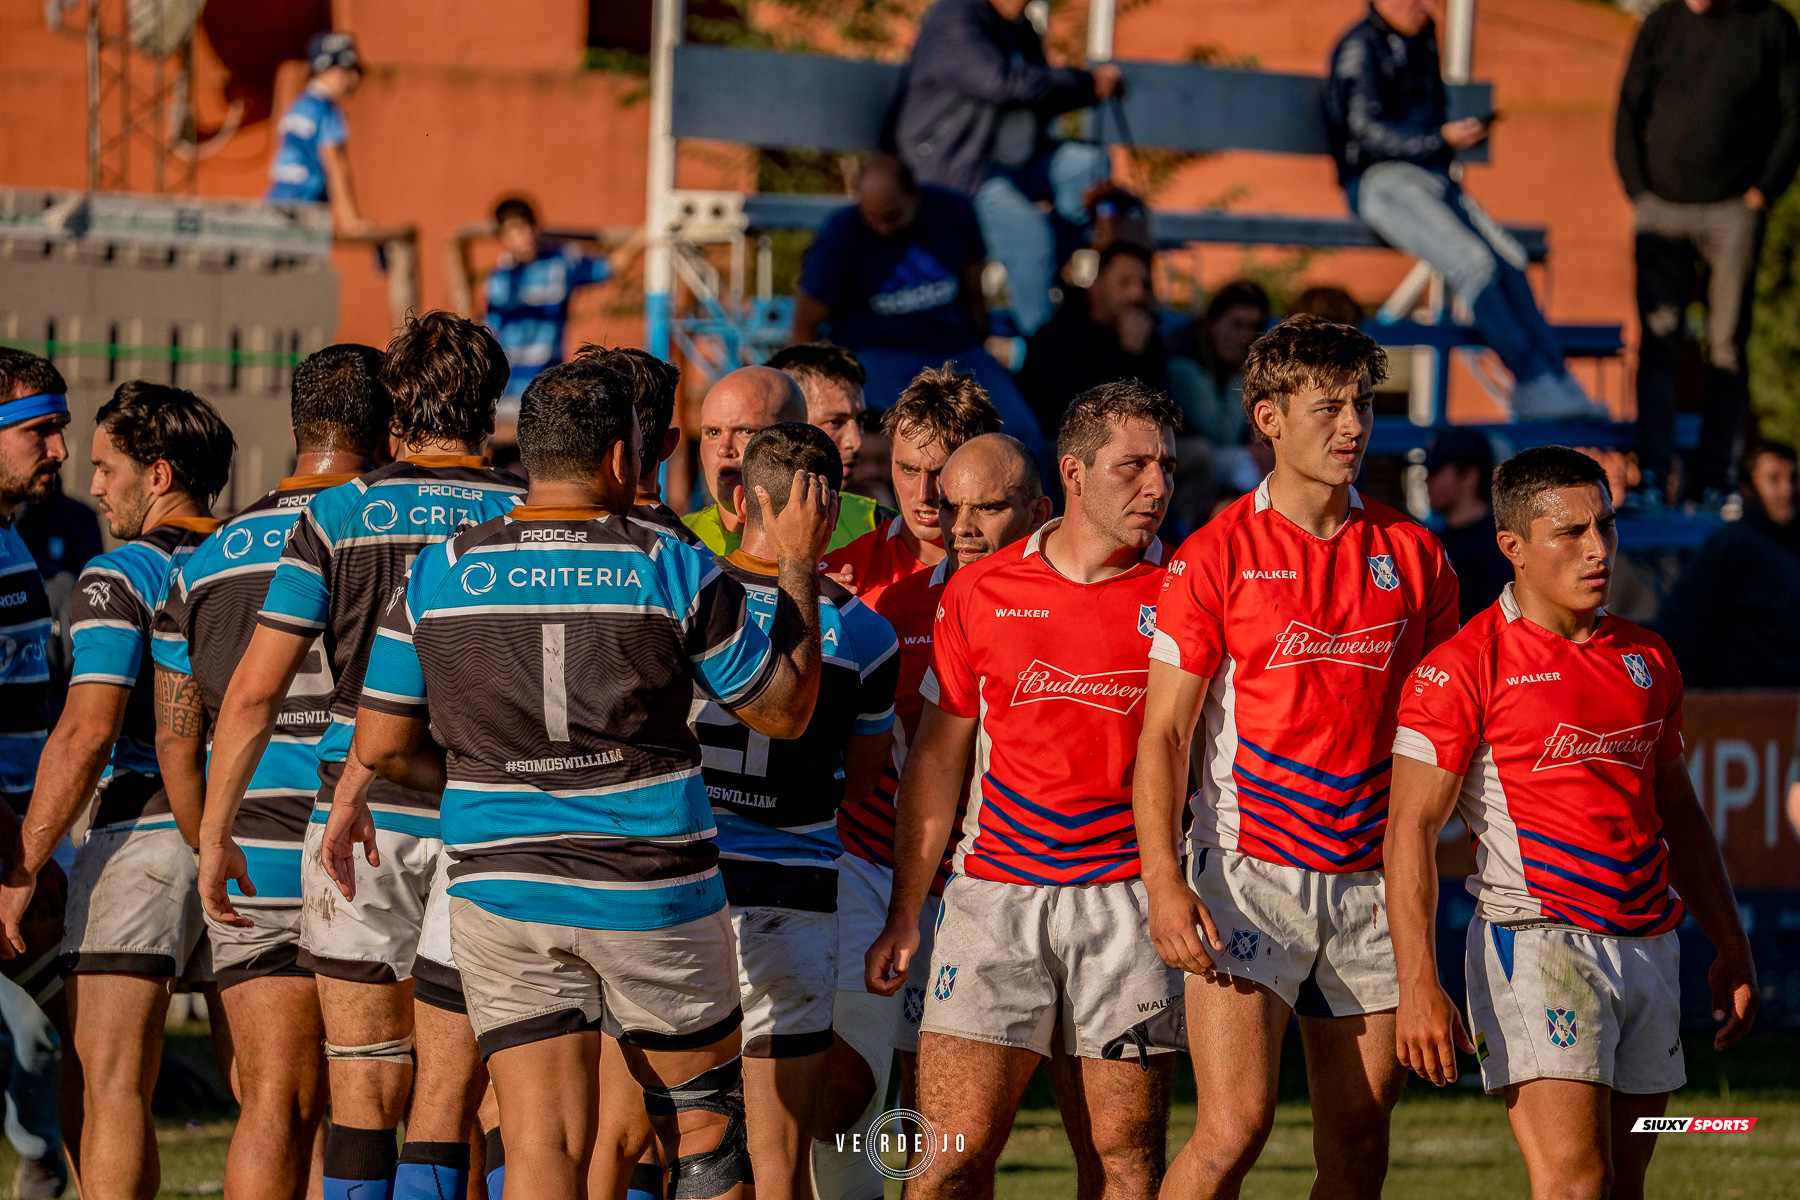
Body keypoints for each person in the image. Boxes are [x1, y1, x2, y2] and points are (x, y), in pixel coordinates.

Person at [348, 353, 838, 1200]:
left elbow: (384, 745)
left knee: (540, 1143)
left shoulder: (437, 568)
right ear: (622, 457)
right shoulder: (669, 560)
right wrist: (798, 562)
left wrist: (487, 783)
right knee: (704, 1131)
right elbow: (784, 711)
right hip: (652, 890)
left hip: (501, 889)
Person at [1132, 315, 1460, 1200]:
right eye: (1329, 406)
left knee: (1357, 1147)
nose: (1353, 425)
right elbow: (1163, 735)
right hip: (1248, 875)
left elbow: (1444, 736)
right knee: (1233, 1129)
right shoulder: (1215, 553)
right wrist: (1166, 881)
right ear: (1268, 416)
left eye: (1364, 404)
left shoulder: (1417, 555)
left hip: (1371, 882)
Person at [203, 312, 524, 1200]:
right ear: (490, 406)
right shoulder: (527, 512)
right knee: (468, 1094)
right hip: (486, 814)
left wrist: (215, 834)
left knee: (364, 1089)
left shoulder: (336, 512)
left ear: (397, 407)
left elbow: (255, 692)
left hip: (359, 810)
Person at [1387, 445, 1758, 1199]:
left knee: (1622, 1183)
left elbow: (1677, 812)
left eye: (1607, 526)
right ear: (1513, 546)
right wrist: (1418, 979)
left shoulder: (1648, 657)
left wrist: (1730, 941)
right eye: (1572, 532)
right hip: (1536, 942)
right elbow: (1410, 831)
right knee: (1575, 1182)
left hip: (1650, 946)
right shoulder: (1463, 667)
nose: (1599, 549)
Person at [864, 381, 1182, 1200]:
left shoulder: (1184, 587)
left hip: (1128, 904)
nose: (1157, 486)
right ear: (1074, 475)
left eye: (1167, 467)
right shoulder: (979, 590)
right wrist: (907, 910)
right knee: (945, 1160)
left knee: (1125, 1164)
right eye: (1134, 466)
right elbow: (937, 761)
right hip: (995, 900)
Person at [152, 344, 393, 1200]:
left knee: (271, 1103)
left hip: (249, 841)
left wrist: (208, 841)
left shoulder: (206, 557)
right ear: (389, 424)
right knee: (391, 1106)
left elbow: (178, 738)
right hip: (366, 840)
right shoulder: (387, 525)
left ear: (295, 427)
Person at [0, 382, 234, 1200]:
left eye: (106, 468)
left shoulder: (118, 571)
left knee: (112, 1090)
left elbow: (87, 728)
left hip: (142, 830)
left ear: (158, 474)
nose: (91, 485)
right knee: (278, 1095)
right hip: (252, 838)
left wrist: (24, 862)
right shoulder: (257, 558)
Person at [690, 422, 899, 1200]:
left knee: (666, 1143)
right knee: (781, 1167)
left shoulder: (682, 592)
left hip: (686, 887)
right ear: (829, 507)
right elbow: (861, 782)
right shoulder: (869, 634)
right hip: (795, 891)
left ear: (742, 500)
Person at [861, 433, 1051, 1115]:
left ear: (1039, 508)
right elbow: (923, 760)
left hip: (1064, 885)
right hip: (928, 881)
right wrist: (903, 905)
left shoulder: (1116, 589)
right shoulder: (894, 601)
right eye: (949, 503)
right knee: (927, 1120)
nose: (959, 526)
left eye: (986, 508)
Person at [1324, 0, 1604, 421]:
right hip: (1380, 182)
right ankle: (1531, 382)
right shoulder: (1360, 47)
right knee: (1474, 264)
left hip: (1429, 178)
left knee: (1509, 257)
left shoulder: (1418, 41)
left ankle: (1554, 377)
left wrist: (1446, 139)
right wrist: (1441, 140)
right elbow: (1363, 134)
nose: (1429, 8)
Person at [1616, 0, 1800, 507]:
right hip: (1661, 212)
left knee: (1726, 347)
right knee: (1658, 341)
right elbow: (1630, 108)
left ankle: (1717, 480)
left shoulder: (1768, 25)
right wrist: (1639, 192)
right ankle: (1653, 475)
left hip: (1733, 212)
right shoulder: (1661, 24)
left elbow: (1794, 114)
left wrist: (1762, 192)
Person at [891, 0, 1121, 336]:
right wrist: (1085, 82)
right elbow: (1000, 82)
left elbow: (1042, 91)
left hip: (1019, 165)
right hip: (958, 171)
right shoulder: (955, 17)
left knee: (1088, 165)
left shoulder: (1020, 27)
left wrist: (1094, 89)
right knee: (1029, 237)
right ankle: (1042, 347)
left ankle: (1052, 266)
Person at [792, 156, 1043, 447]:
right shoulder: (840, 234)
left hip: (954, 348)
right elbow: (805, 324)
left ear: (914, 195)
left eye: (891, 217)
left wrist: (979, 342)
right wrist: (811, 394)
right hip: (877, 352)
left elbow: (974, 291)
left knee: (1020, 434)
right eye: (872, 218)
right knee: (905, 440)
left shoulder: (954, 212)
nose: (882, 228)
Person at [0, 351, 72, 1200]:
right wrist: (18, 856)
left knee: (52, 1039)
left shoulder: (13, 531)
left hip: (24, 842)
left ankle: (40, 1167)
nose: (58, 449)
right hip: (10, 849)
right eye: (38, 431)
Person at [822, 365, 1005, 604]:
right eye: (908, 469)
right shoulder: (845, 576)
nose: (923, 494)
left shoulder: (1028, 563)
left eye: (940, 472)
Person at [482, 198, 646, 424]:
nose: (526, 234)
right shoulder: (498, 281)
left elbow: (612, 265)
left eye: (529, 225)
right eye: (517, 229)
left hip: (545, 388)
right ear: (504, 237)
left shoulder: (560, 266)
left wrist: (645, 235)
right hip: (506, 391)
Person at [686, 366, 877, 555]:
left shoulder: (873, 524)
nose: (724, 449)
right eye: (712, 433)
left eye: (745, 431)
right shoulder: (674, 544)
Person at [1661, 441, 1800, 685]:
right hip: (1742, 704)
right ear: (1747, 487)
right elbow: (1683, 626)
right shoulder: (1729, 547)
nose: (1787, 490)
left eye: (1793, 478)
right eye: (1774, 479)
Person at [1018, 243, 1170, 437]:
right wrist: (1127, 356)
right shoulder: (1059, 336)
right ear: (1095, 286)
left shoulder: (1146, 334)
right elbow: (1079, 413)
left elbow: (1163, 407)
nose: (1137, 294)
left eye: (1145, 285)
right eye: (1124, 283)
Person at [1166, 280, 1272, 529]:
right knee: (1244, 465)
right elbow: (1222, 431)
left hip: (1215, 460)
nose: (1245, 337)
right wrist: (1241, 375)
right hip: (1181, 456)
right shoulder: (1183, 359)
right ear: (1211, 323)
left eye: (1253, 327)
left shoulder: (1236, 362)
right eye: (1236, 324)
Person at [764, 342, 892, 535]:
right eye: (834, 422)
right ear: (783, 424)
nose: (856, 442)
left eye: (861, 420)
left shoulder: (881, 523)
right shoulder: (711, 538)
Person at [266, 32, 373, 235]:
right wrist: (351, 220)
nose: (355, 78)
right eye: (350, 69)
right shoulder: (327, 110)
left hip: (277, 201)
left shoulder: (300, 105)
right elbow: (336, 164)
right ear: (330, 69)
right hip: (307, 205)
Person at [1425, 427, 1512, 624]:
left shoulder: (1500, 545)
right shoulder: (1433, 540)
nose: (1426, 479)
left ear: (1469, 476)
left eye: (1435, 470)